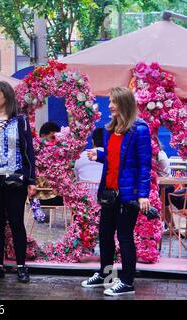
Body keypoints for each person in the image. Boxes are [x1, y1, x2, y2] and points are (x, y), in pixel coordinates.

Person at [81, 87, 151, 296]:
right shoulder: (110, 129)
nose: (109, 105)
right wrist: (99, 155)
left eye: (114, 102)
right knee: (104, 235)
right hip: (109, 192)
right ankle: (106, 275)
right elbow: (115, 157)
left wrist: (143, 194)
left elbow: (144, 164)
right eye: (110, 101)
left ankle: (127, 282)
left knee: (125, 236)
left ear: (124, 104)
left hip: (128, 194)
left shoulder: (139, 129)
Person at [0, 81, 35, 283]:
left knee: (17, 221)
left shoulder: (20, 120)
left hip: (15, 176)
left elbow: (28, 151)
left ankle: (21, 266)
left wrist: (31, 179)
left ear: (6, 96)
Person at [35, 122, 64, 223]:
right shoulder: (36, 154)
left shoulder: (61, 153)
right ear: (42, 136)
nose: (55, 141)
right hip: (42, 197)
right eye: (53, 137)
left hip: (54, 197)